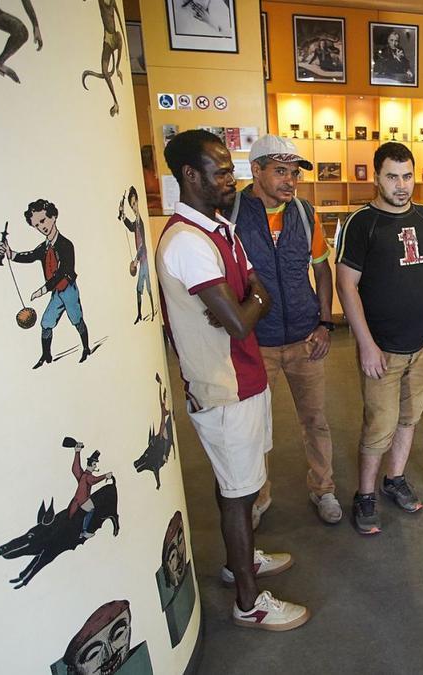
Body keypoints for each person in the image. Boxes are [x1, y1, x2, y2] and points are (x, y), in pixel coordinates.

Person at [156, 129, 306, 631]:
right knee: (237, 491)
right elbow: (243, 317)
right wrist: (252, 303)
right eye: (221, 171)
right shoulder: (188, 243)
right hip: (223, 387)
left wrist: (251, 301)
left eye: (231, 168)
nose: (232, 179)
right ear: (189, 176)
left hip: (244, 376)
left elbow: (252, 292)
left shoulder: (221, 228)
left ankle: (238, 561)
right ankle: (249, 601)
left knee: (239, 488)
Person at [230, 135, 343, 527]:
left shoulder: (305, 212)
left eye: (294, 172)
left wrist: (326, 321)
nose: (289, 181)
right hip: (255, 341)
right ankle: (258, 497)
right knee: (255, 428)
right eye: (280, 171)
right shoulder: (231, 213)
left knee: (316, 420)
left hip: (304, 337)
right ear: (255, 170)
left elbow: (321, 268)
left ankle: (323, 487)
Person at [335, 142, 423, 534]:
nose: (401, 185)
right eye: (392, 176)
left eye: (407, 176)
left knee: (409, 418)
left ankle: (393, 479)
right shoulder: (362, 222)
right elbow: (346, 285)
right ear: (376, 177)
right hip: (381, 348)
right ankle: (365, 494)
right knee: (378, 424)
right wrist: (365, 343)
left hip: (422, 345)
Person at [0, 199, 93, 369]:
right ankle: (46, 355)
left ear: (53, 216)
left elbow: (64, 271)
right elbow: (30, 255)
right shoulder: (44, 247)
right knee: (46, 323)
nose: (42, 227)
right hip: (56, 293)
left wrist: (43, 290)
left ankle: (86, 348)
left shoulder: (66, 244)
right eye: (37, 225)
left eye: (43, 221)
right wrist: (10, 253)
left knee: (77, 320)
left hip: (69, 290)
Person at [119, 186, 156, 324]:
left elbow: (143, 246)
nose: (133, 207)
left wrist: (135, 259)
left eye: (134, 204)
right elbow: (130, 226)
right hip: (141, 260)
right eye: (131, 205)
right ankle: (140, 314)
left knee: (148, 287)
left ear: (138, 202)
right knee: (139, 289)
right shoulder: (137, 222)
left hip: (143, 259)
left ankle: (152, 311)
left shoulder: (141, 223)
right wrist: (123, 216)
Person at [64, 441, 112, 539]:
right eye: (94, 464)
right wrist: (105, 476)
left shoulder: (83, 474)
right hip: (81, 501)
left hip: (77, 501)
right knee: (91, 509)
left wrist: (77, 452)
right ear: (91, 464)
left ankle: (82, 530)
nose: (95, 466)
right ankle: (84, 531)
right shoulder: (87, 476)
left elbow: (76, 469)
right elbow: (93, 480)